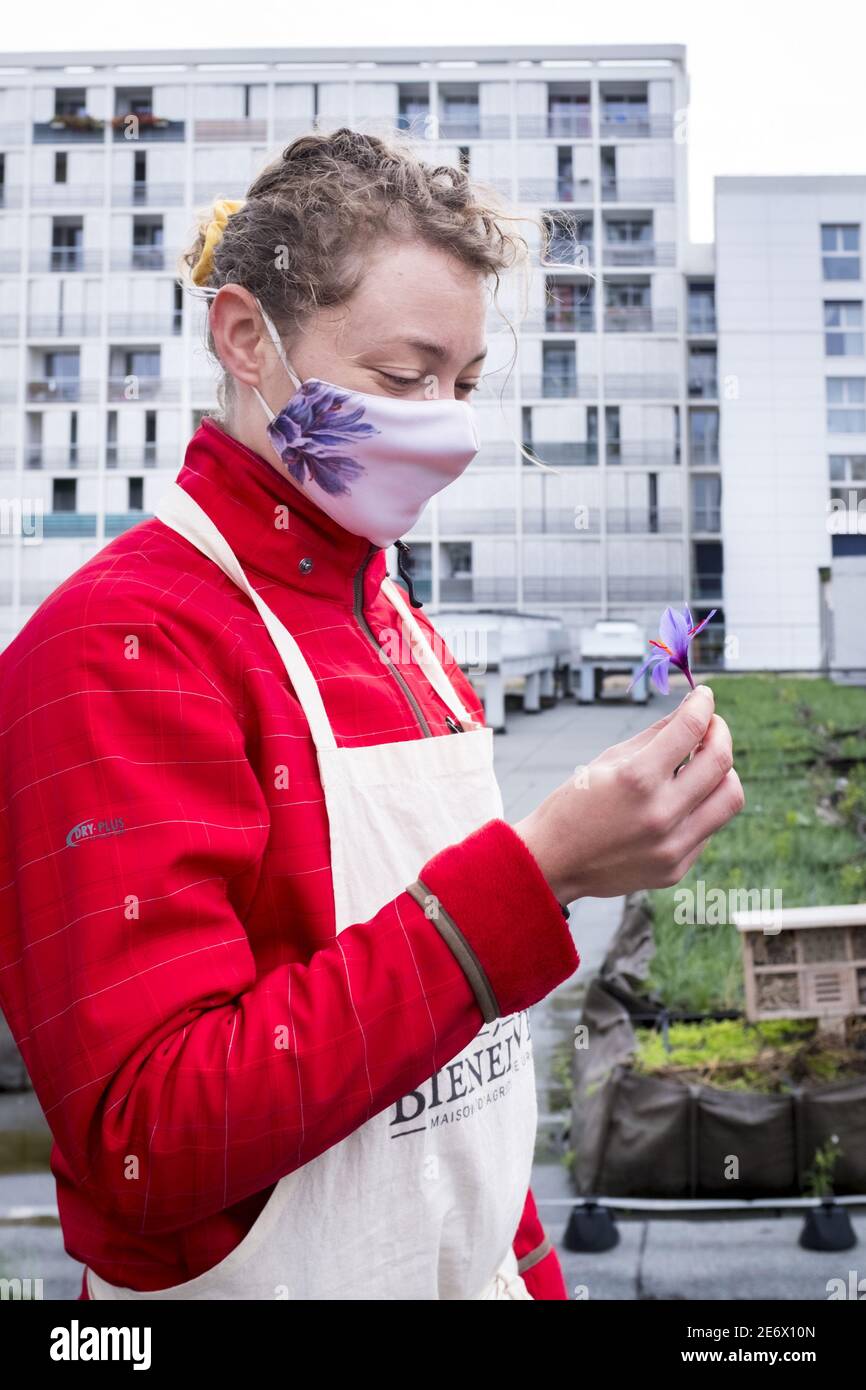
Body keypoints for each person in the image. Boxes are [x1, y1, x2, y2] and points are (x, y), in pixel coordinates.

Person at [0, 128, 743, 1302]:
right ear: (246, 339)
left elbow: (475, 1114)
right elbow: (144, 1135)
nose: (446, 425)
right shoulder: (123, 644)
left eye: (464, 383)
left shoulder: (397, 616)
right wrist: (533, 877)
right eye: (405, 379)